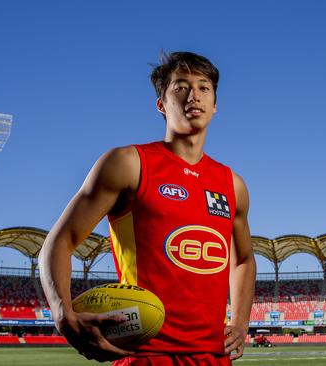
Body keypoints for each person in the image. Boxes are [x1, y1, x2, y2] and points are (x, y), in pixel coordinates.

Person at [39, 51, 256, 365]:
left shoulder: (233, 184)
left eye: (204, 87)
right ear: (161, 105)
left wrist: (240, 321)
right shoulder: (127, 164)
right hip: (146, 354)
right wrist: (62, 312)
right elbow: (59, 242)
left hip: (212, 356)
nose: (194, 95)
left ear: (215, 105)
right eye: (180, 87)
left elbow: (244, 258)